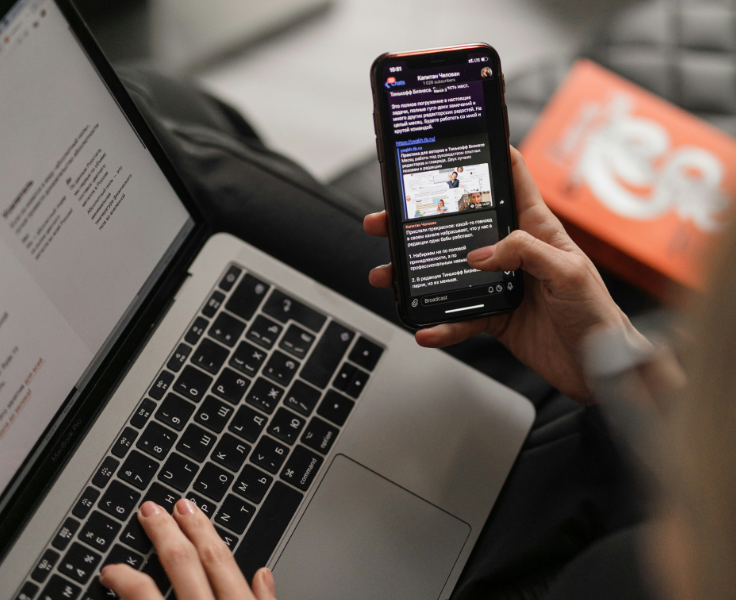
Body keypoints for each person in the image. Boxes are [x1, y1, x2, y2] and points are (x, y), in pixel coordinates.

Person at [98, 67, 731, 600]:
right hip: (566, 418)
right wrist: (625, 373)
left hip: (518, 498)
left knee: (150, 114)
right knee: (164, 117)